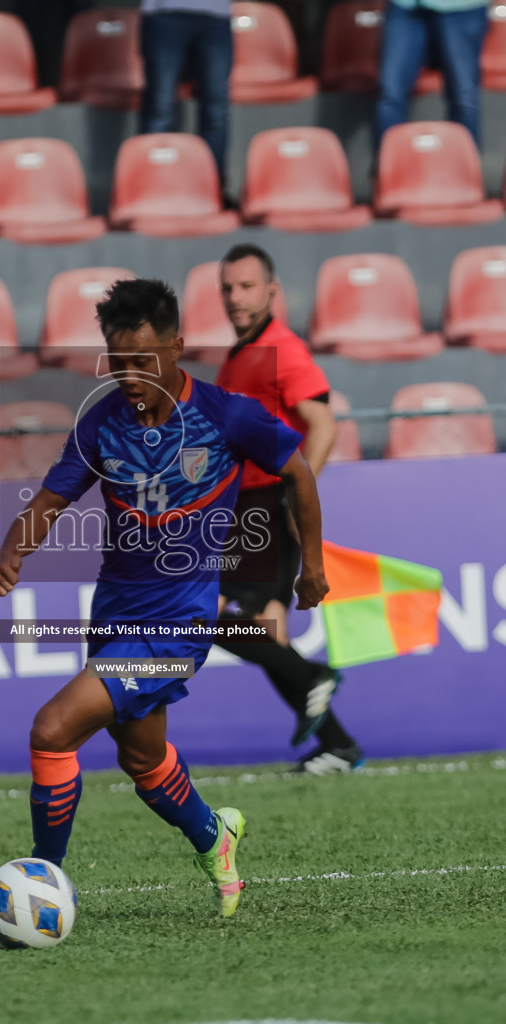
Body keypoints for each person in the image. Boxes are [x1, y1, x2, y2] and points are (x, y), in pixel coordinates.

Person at [0, 278, 329, 924]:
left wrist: (311, 568)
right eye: (119, 362)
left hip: (179, 627)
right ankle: (214, 836)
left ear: (177, 349)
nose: (130, 376)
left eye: (143, 361)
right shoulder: (102, 422)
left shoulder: (225, 415)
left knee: (52, 732)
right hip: (114, 616)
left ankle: (38, 883)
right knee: (141, 759)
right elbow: (51, 501)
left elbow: (298, 469)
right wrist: (12, 551)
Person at [213, 244, 365, 775]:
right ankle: (339, 744)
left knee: (200, 614)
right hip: (244, 504)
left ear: (272, 292)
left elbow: (323, 424)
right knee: (266, 631)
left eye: (247, 286)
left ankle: (312, 681)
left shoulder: (282, 348)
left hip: (267, 504)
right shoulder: (239, 355)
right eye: (228, 288)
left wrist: (299, 496)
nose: (235, 297)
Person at [375, 0, 490, 149]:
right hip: (405, 7)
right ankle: (387, 166)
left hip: (462, 7)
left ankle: (464, 168)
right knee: (390, 94)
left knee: (464, 96)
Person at [139, 0, 233, 182]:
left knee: (216, 111)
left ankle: (212, 189)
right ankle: (151, 186)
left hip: (216, 15)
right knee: (159, 107)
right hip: (164, 13)